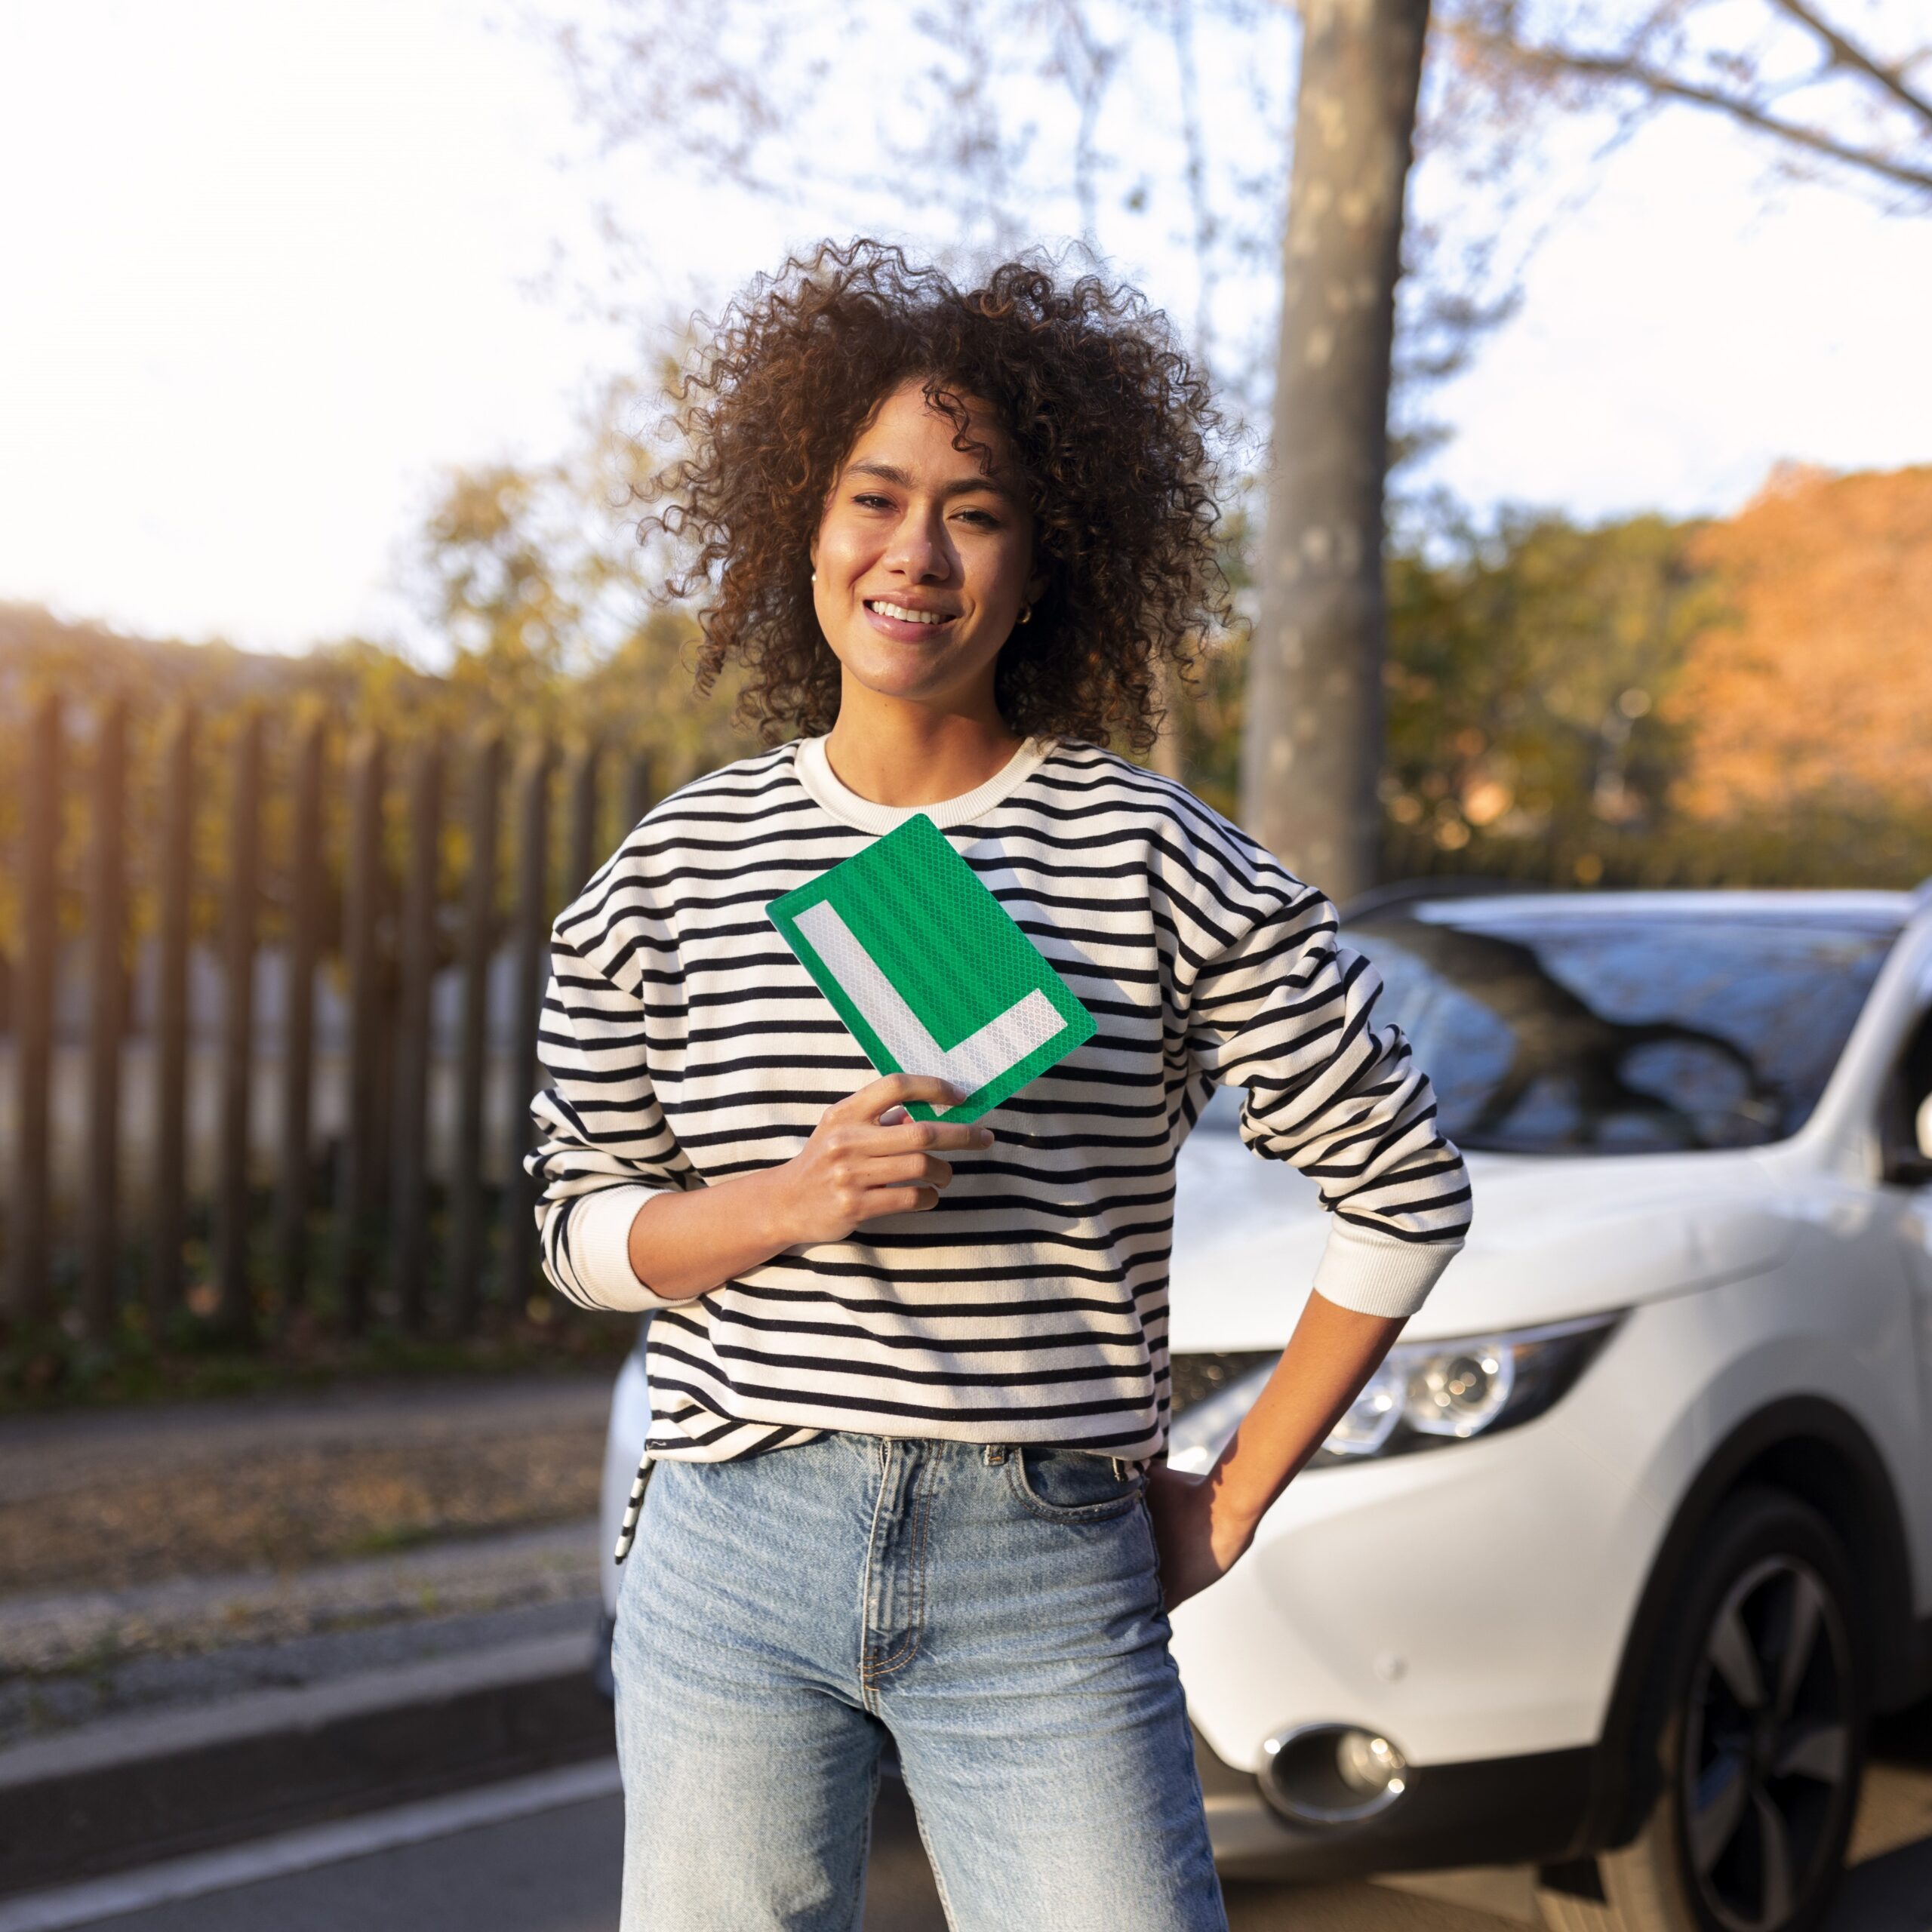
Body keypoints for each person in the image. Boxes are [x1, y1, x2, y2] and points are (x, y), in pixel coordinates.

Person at [528, 241, 1472, 1932]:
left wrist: (1236, 1486)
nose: (913, 552)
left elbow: (1401, 1192)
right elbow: (577, 1223)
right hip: (730, 1539)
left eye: (975, 509)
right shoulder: (669, 871)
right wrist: (788, 1200)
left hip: (1039, 1555)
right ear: (798, 527)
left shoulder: (1158, 858)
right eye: (872, 497)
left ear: (1046, 563)